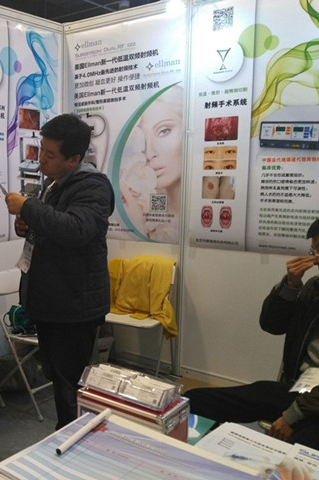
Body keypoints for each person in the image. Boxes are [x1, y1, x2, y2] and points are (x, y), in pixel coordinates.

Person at [4, 113, 115, 429]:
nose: (41, 159)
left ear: (74, 159)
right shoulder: (54, 184)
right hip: (52, 302)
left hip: (74, 306)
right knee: (59, 380)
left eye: (50, 155)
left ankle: (73, 440)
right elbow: (52, 230)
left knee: (71, 387)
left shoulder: (93, 187)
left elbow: (75, 230)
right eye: (42, 150)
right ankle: (68, 434)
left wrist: (27, 207)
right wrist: (27, 225)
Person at [185, 218, 319, 448]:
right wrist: (291, 285)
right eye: (315, 249)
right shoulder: (314, 288)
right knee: (196, 401)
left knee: (299, 453)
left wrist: (292, 416)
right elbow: (271, 325)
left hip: (311, 404)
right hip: (298, 389)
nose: (316, 257)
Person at [119, 85, 183, 243]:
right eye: (142, 138)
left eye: (164, 131)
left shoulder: (202, 215)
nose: (148, 153)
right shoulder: (144, 209)